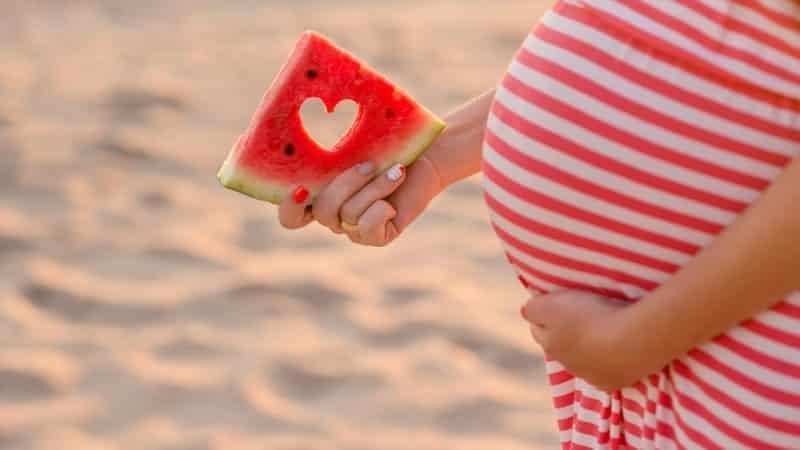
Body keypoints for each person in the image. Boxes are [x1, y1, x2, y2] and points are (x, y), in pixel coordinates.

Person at [276, 0, 800, 448]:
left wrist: (636, 342)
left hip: (741, 351)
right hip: (648, 351)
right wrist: (432, 153)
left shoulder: (641, 344)